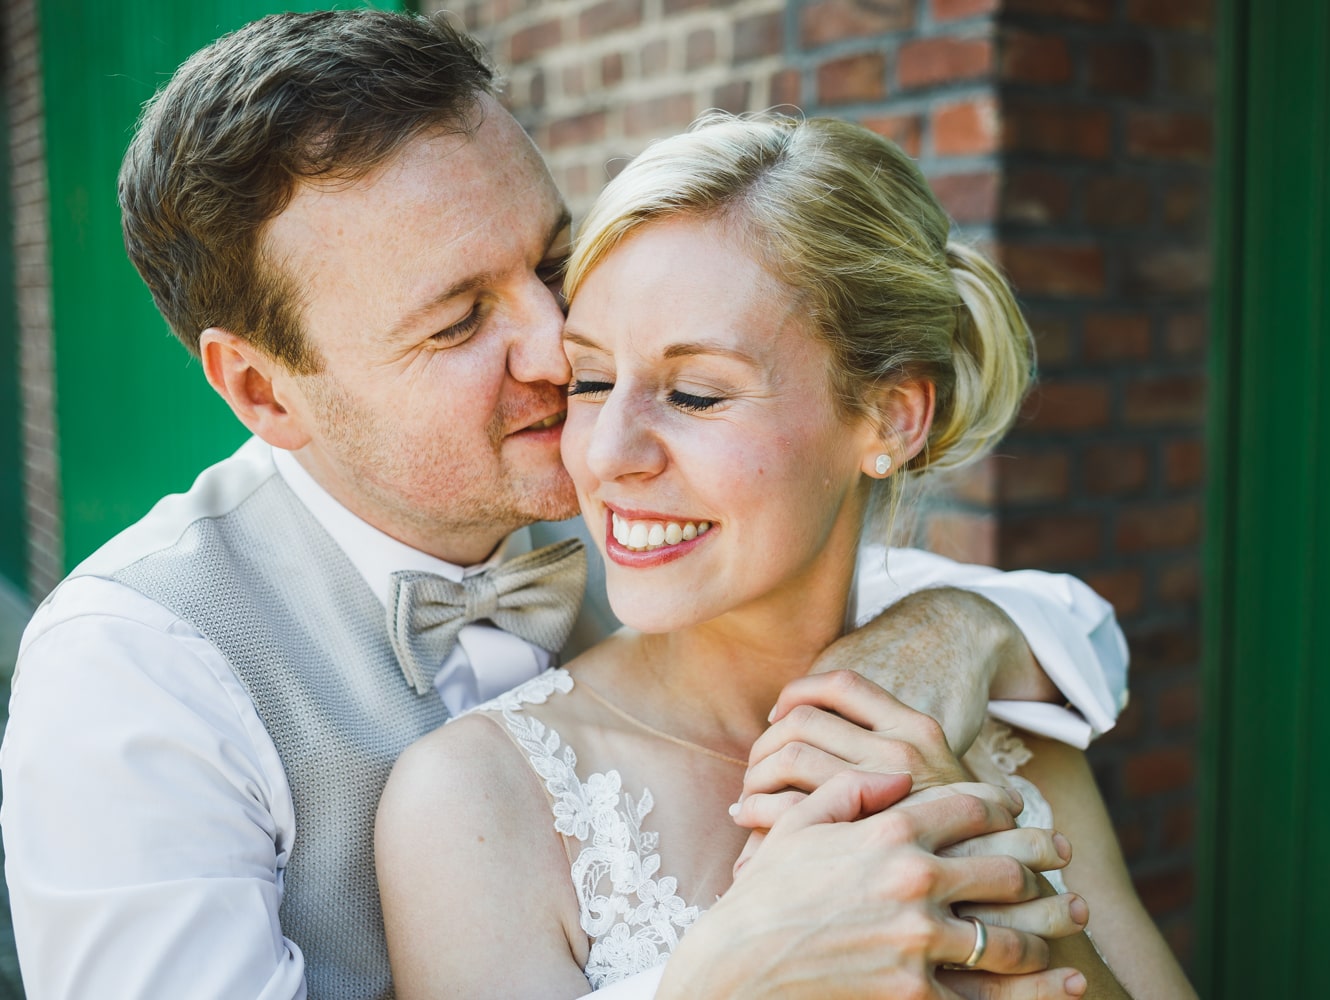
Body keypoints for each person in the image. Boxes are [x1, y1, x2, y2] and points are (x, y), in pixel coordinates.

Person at [0, 11, 1126, 1000]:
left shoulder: (630, 493)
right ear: (261, 389)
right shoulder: (134, 670)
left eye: (549, 259)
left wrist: (950, 638)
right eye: (456, 323)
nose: (556, 352)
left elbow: (1049, 620)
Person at [375, 113, 1194, 1000]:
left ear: (889, 419)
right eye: (592, 381)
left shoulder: (1001, 746)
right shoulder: (478, 799)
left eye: (694, 393)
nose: (608, 455)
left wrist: (999, 907)